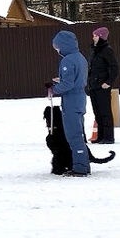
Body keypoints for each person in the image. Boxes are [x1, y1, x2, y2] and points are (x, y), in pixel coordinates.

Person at [51, 29, 90, 176]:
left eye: (57, 46)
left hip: (71, 100)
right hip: (80, 98)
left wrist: (54, 89)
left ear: (63, 44)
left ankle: (79, 168)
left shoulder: (67, 60)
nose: (57, 49)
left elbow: (68, 84)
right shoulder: (80, 57)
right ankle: (84, 165)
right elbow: (76, 79)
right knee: (79, 133)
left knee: (73, 135)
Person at [88, 26, 119, 144]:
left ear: (101, 37)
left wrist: (108, 82)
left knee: (105, 112)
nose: (93, 38)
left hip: (102, 86)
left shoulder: (107, 50)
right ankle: (100, 136)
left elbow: (115, 67)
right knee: (97, 112)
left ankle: (108, 137)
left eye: (95, 36)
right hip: (93, 86)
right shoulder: (95, 51)